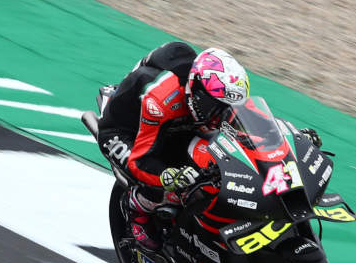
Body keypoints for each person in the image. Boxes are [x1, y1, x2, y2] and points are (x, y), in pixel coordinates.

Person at [98, 42, 252, 251]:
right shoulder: (161, 100)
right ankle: (136, 207)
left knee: (212, 158)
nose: (220, 113)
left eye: (224, 106)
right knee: (170, 184)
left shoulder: (206, 93)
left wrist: (286, 135)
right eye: (214, 105)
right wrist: (168, 176)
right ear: (195, 91)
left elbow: (249, 121)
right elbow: (140, 160)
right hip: (125, 133)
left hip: (176, 123)